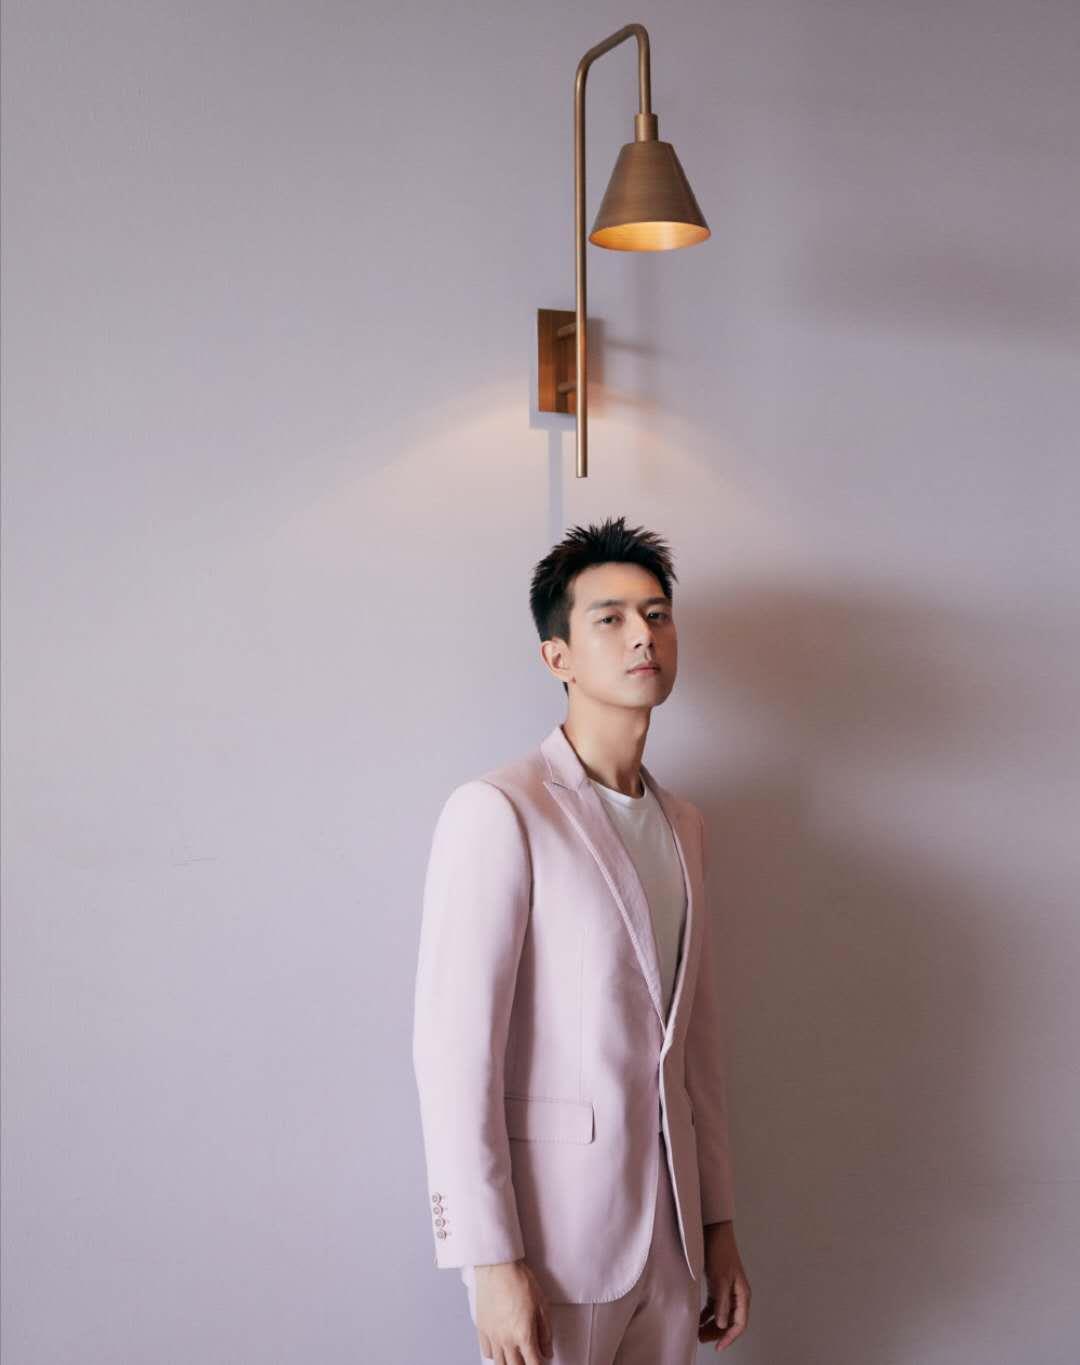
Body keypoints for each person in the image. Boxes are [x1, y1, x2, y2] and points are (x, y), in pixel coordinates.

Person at [412, 515, 751, 1364]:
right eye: (611, 617)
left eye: (657, 614)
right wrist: (490, 1258)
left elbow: (694, 1047)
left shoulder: (685, 825)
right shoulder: (501, 810)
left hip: (670, 1246)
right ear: (556, 656)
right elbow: (454, 1052)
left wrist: (717, 1225)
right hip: (553, 1246)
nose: (643, 634)